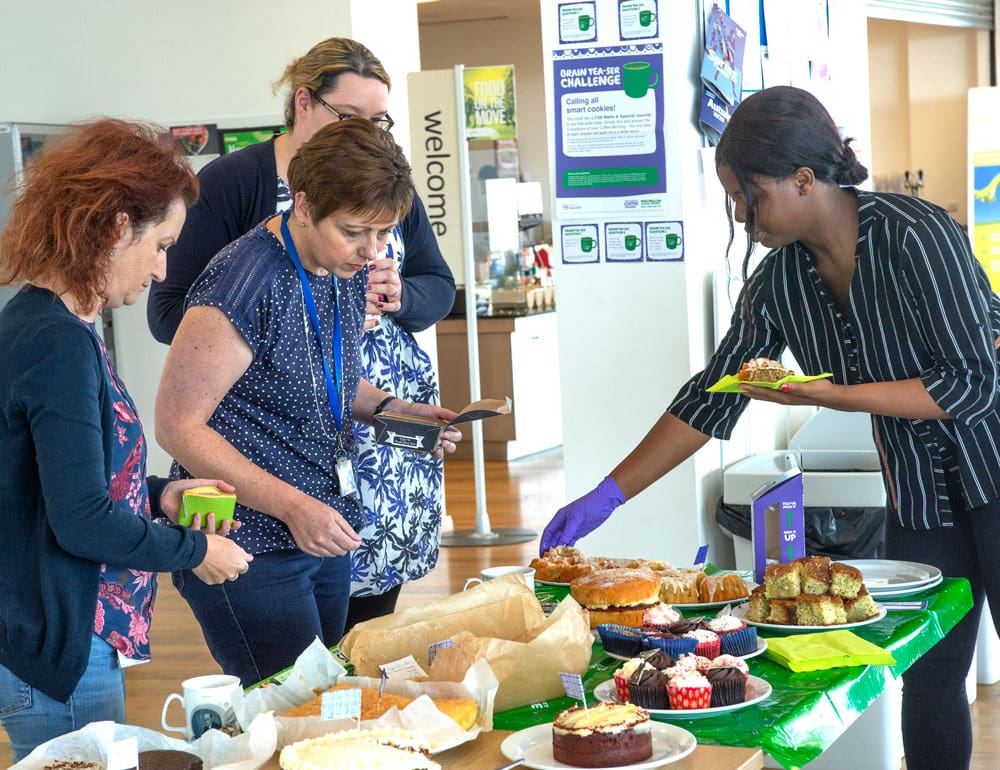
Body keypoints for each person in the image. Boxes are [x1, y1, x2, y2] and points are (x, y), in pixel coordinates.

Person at [538, 85, 1000, 770]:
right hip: (921, 496)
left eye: (746, 195)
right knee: (929, 680)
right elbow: (711, 397)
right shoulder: (779, 282)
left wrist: (833, 396)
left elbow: (973, 382)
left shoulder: (916, 234)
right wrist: (607, 495)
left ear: (805, 179)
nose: (738, 214)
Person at [146, 37, 456, 630]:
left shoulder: (334, 259)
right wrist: (293, 506)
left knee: (328, 695)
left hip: (313, 516)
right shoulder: (246, 277)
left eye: (384, 236)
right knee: (290, 704)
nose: (372, 252)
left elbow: (322, 375)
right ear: (305, 206)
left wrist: (395, 411)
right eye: (357, 234)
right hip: (251, 533)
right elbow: (177, 423)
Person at [0, 119, 253, 762]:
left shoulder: (54, 324)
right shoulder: (55, 343)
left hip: (55, 634)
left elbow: (67, 478)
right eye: (161, 244)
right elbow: (81, 521)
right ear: (117, 229)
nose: (163, 268)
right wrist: (196, 550)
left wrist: (162, 496)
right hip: (57, 645)